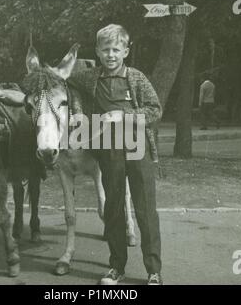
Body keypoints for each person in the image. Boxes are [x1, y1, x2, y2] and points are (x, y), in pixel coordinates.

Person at [68, 24, 163, 285]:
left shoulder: (136, 77)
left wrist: (125, 115)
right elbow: (65, 80)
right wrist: (77, 110)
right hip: (107, 147)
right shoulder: (90, 77)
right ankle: (116, 268)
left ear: (126, 51)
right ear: (97, 52)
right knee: (113, 209)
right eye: (106, 49)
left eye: (116, 50)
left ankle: (153, 271)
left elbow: (155, 110)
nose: (111, 55)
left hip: (136, 144)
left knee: (144, 210)